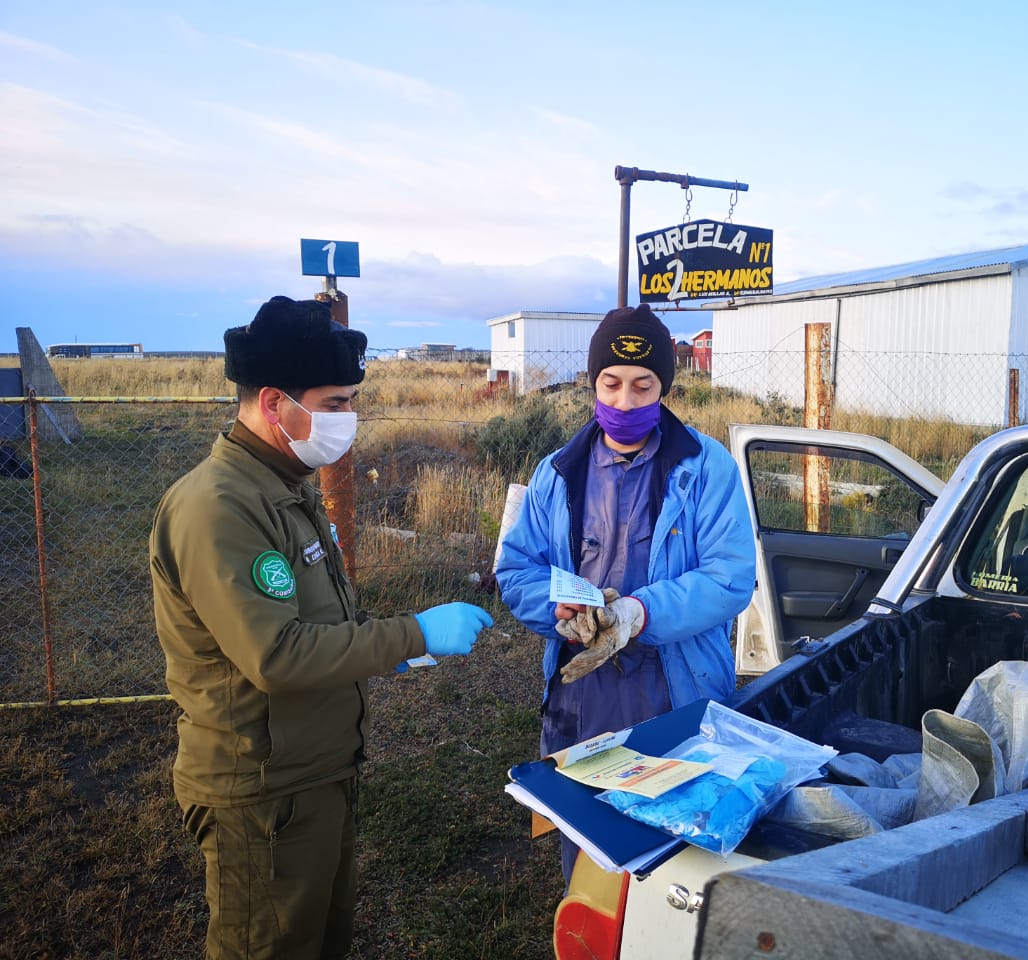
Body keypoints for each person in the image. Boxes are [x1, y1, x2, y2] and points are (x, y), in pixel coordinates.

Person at [150, 295, 492, 960]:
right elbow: (275, 653)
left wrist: (373, 651)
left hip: (312, 775)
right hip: (260, 794)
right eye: (336, 403)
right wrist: (413, 634)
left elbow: (317, 616)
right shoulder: (219, 508)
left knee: (316, 941)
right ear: (277, 404)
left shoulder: (286, 485)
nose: (349, 419)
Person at [495, 303, 755, 881]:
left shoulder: (706, 469)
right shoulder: (557, 472)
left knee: (673, 857)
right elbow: (517, 570)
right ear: (593, 382)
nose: (625, 401)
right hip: (581, 694)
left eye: (644, 386)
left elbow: (730, 576)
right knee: (587, 848)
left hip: (675, 692)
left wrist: (638, 613)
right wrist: (558, 609)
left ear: (665, 387)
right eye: (611, 383)